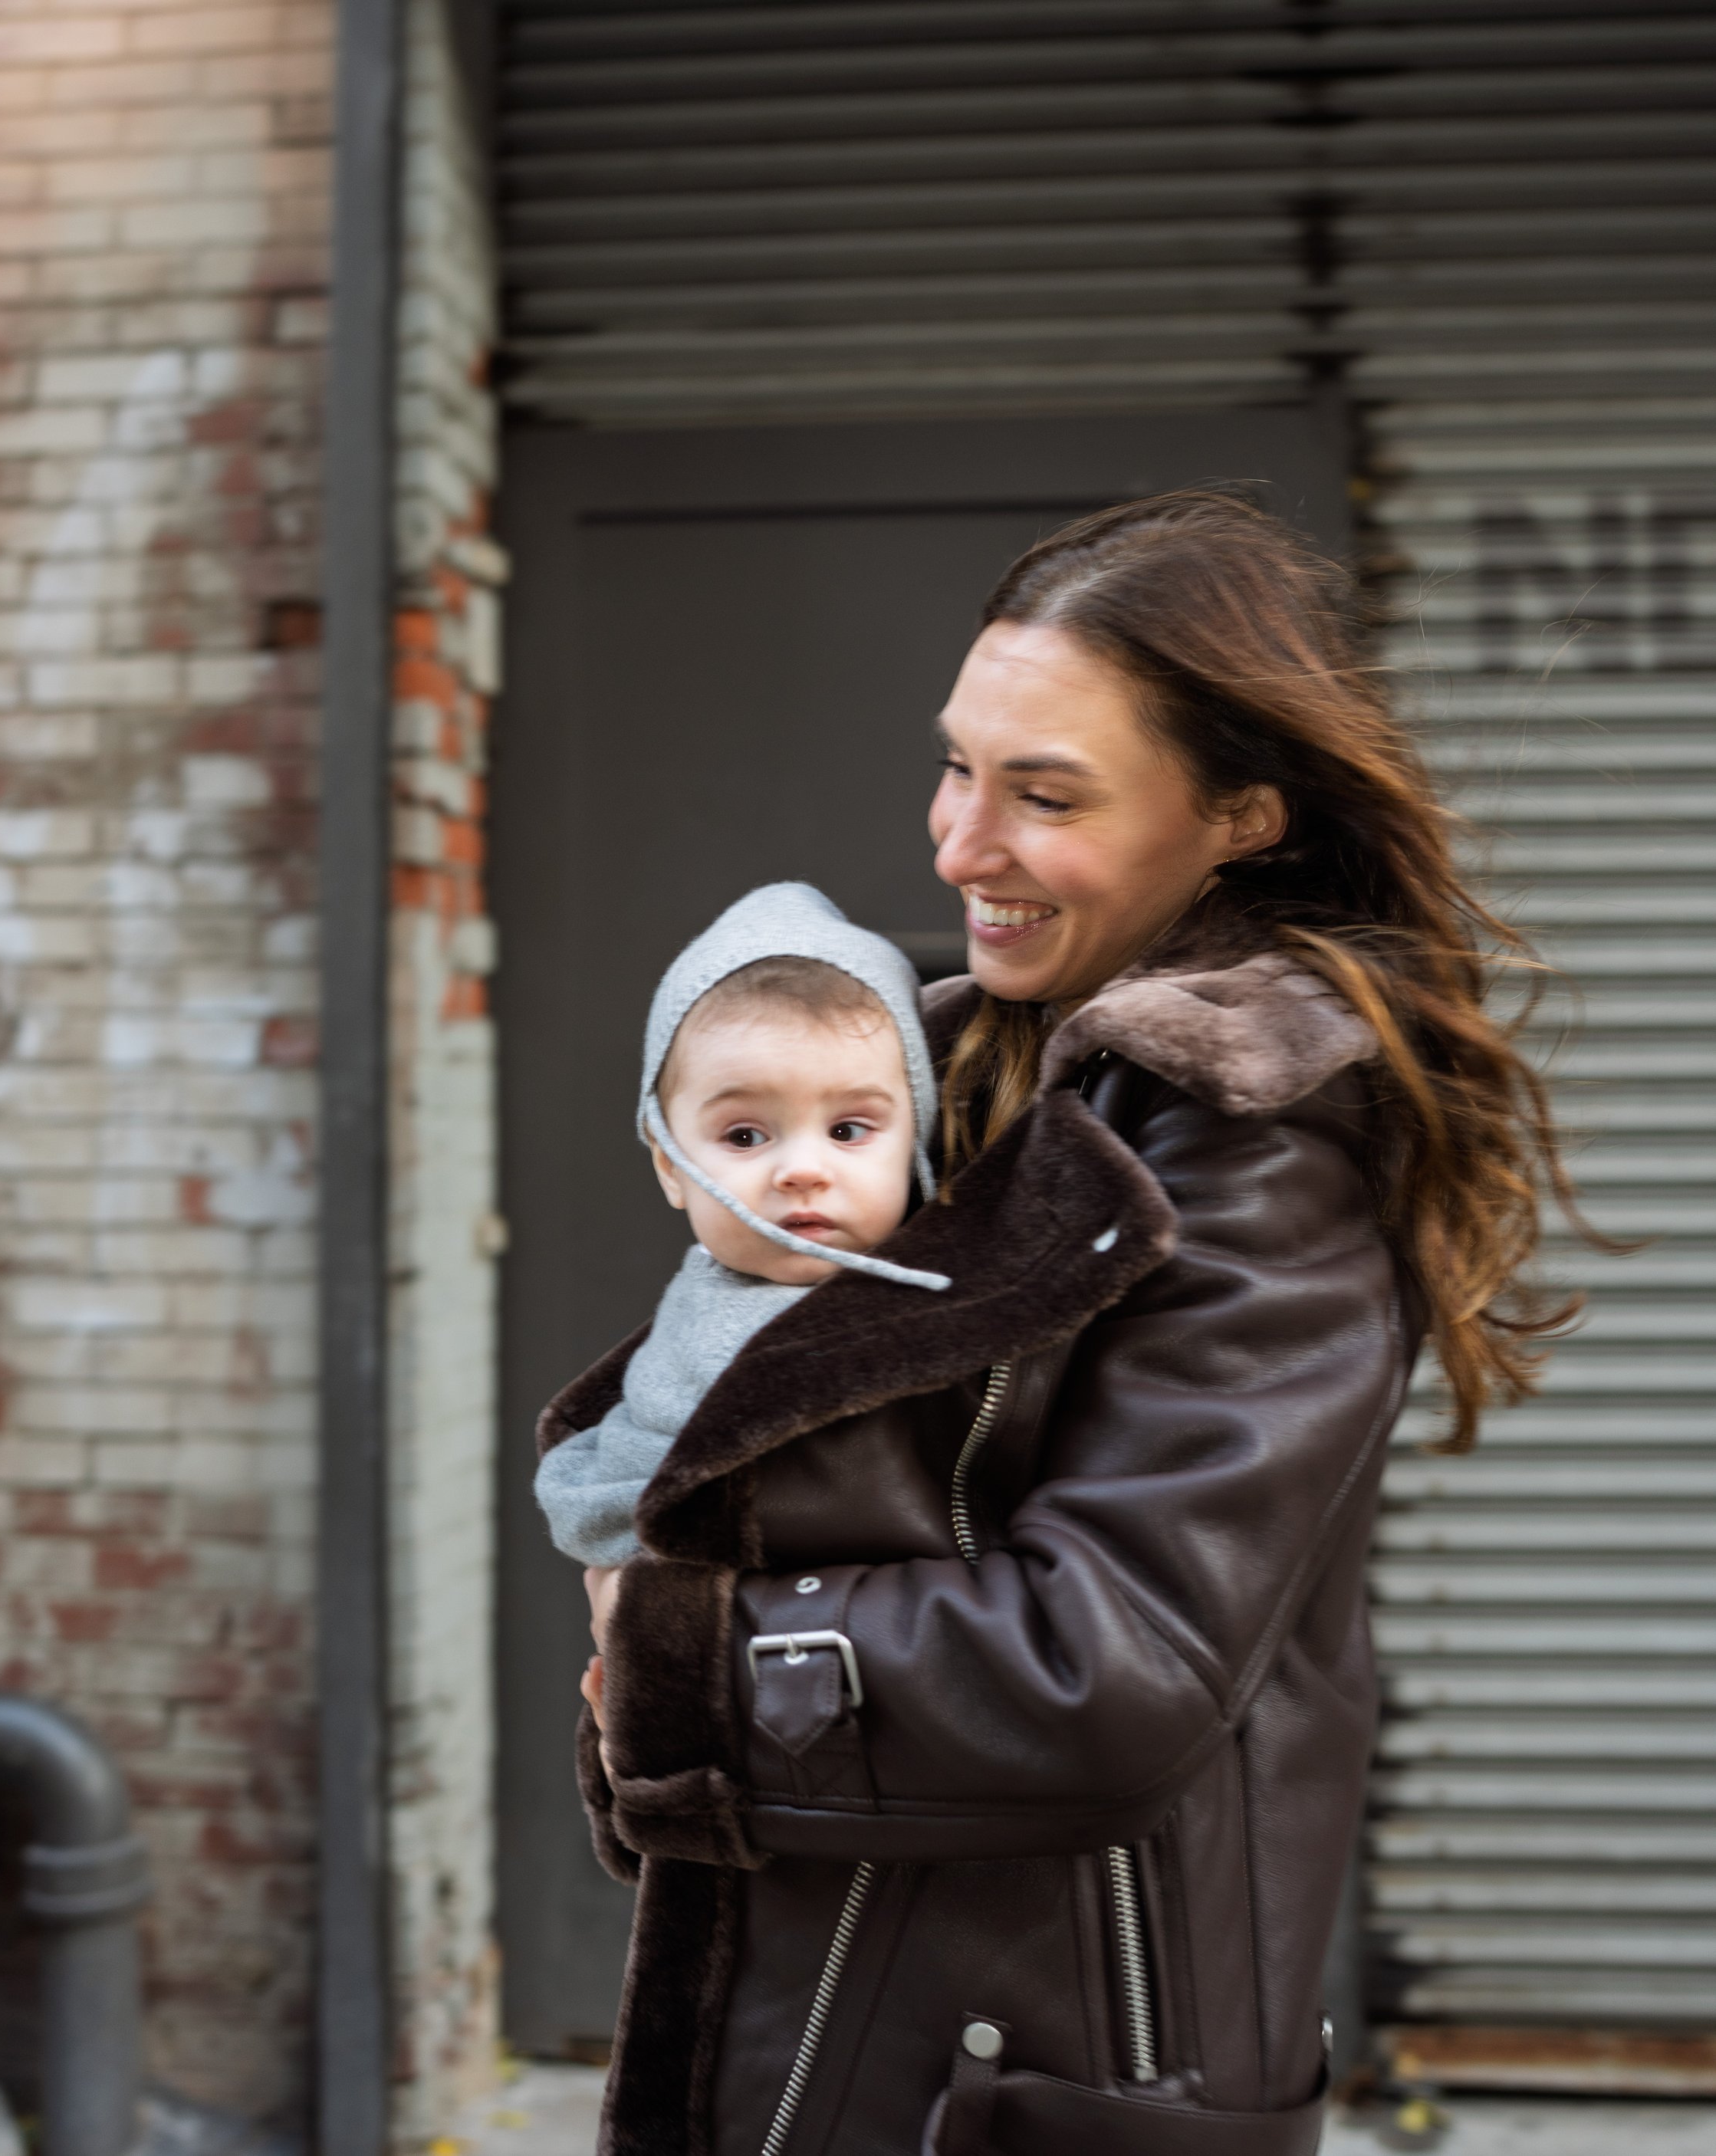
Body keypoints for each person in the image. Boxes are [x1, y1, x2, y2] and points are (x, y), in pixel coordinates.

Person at [537, 491, 1586, 2156]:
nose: (958, 843)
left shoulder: (1252, 1124)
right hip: (886, 2003)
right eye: (959, 765)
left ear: (1238, 811)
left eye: (1044, 794)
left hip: (1049, 2068)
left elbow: (1112, 1663)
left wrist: (679, 1664)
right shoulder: (944, 1074)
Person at [534, 882, 954, 1721]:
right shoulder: (686, 1341)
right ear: (667, 1163)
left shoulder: (961, 1311)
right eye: (745, 1136)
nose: (802, 1168)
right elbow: (608, 1499)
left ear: (918, 1136)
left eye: (849, 1130)